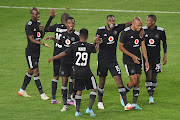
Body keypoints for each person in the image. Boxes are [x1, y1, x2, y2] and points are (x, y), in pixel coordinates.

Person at [48, 28, 102, 117]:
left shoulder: (74, 45)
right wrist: (97, 43)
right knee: (94, 89)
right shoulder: (89, 46)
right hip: (86, 72)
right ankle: (89, 109)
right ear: (87, 36)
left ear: (79, 36)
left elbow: (64, 53)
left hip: (76, 72)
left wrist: (54, 57)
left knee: (79, 91)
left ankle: (77, 111)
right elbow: (95, 50)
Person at [96, 15, 135, 110]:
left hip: (113, 61)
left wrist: (134, 21)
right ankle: (100, 101)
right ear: (106, 21)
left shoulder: (117, 28)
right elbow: (95, 45)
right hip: (102, 60)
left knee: (119, 80)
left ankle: (126, 104)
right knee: (102, 81)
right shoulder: (100, 30)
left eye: (113, 20)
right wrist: (97, 42)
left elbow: (127, 24)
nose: (112, 22)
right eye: (110, 20)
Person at [45, 17, 79, 111]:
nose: (71, 25)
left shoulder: (77, 35)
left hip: (73, 62)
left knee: (74, 82)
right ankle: (65, 105)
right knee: (64, 82)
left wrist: (76, 62)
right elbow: (60, 42)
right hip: (64, 62)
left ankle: (72, 97)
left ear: (74, 24)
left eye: (72, 23)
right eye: (69, 23)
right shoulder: (63, 34)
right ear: (66, 24)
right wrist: (53, 38)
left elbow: (78, 49)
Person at [18, 7, 51, 100]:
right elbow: (31, 39)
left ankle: (22, 90)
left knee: (30, 71)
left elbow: (40, 36)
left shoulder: (39, 23)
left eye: (39, 14)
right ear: (32, 14)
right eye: (36, 14)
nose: (38, 16)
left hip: (37, 51)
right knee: (36, 71)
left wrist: (43, 30)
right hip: (30, 52)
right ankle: (42, 94)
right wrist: (42, 43)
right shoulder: (29, 25)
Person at [119, 17, 149, 110]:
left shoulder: (141, 32)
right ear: (133, 23)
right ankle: (123, 94)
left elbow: (143, 46)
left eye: (141, 25)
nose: (140, 27)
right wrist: (132, 56)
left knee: (138, 80)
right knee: (134, 80)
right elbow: (120, 46)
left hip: (138, 58)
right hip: (128, 59)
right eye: (138, 25)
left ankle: (134, 104)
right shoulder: (125, 32)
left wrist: (146, 60)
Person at [142, 14, 167, 104]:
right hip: (146, 58)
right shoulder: (143, 30)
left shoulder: (160, 31)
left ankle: (152, 91)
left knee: (154, 76)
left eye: (148, 21)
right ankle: (150, 95)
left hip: (156, 57)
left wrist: (165, 55)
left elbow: (164, 43)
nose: (146, 22)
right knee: (148, 74)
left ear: (153, 22)